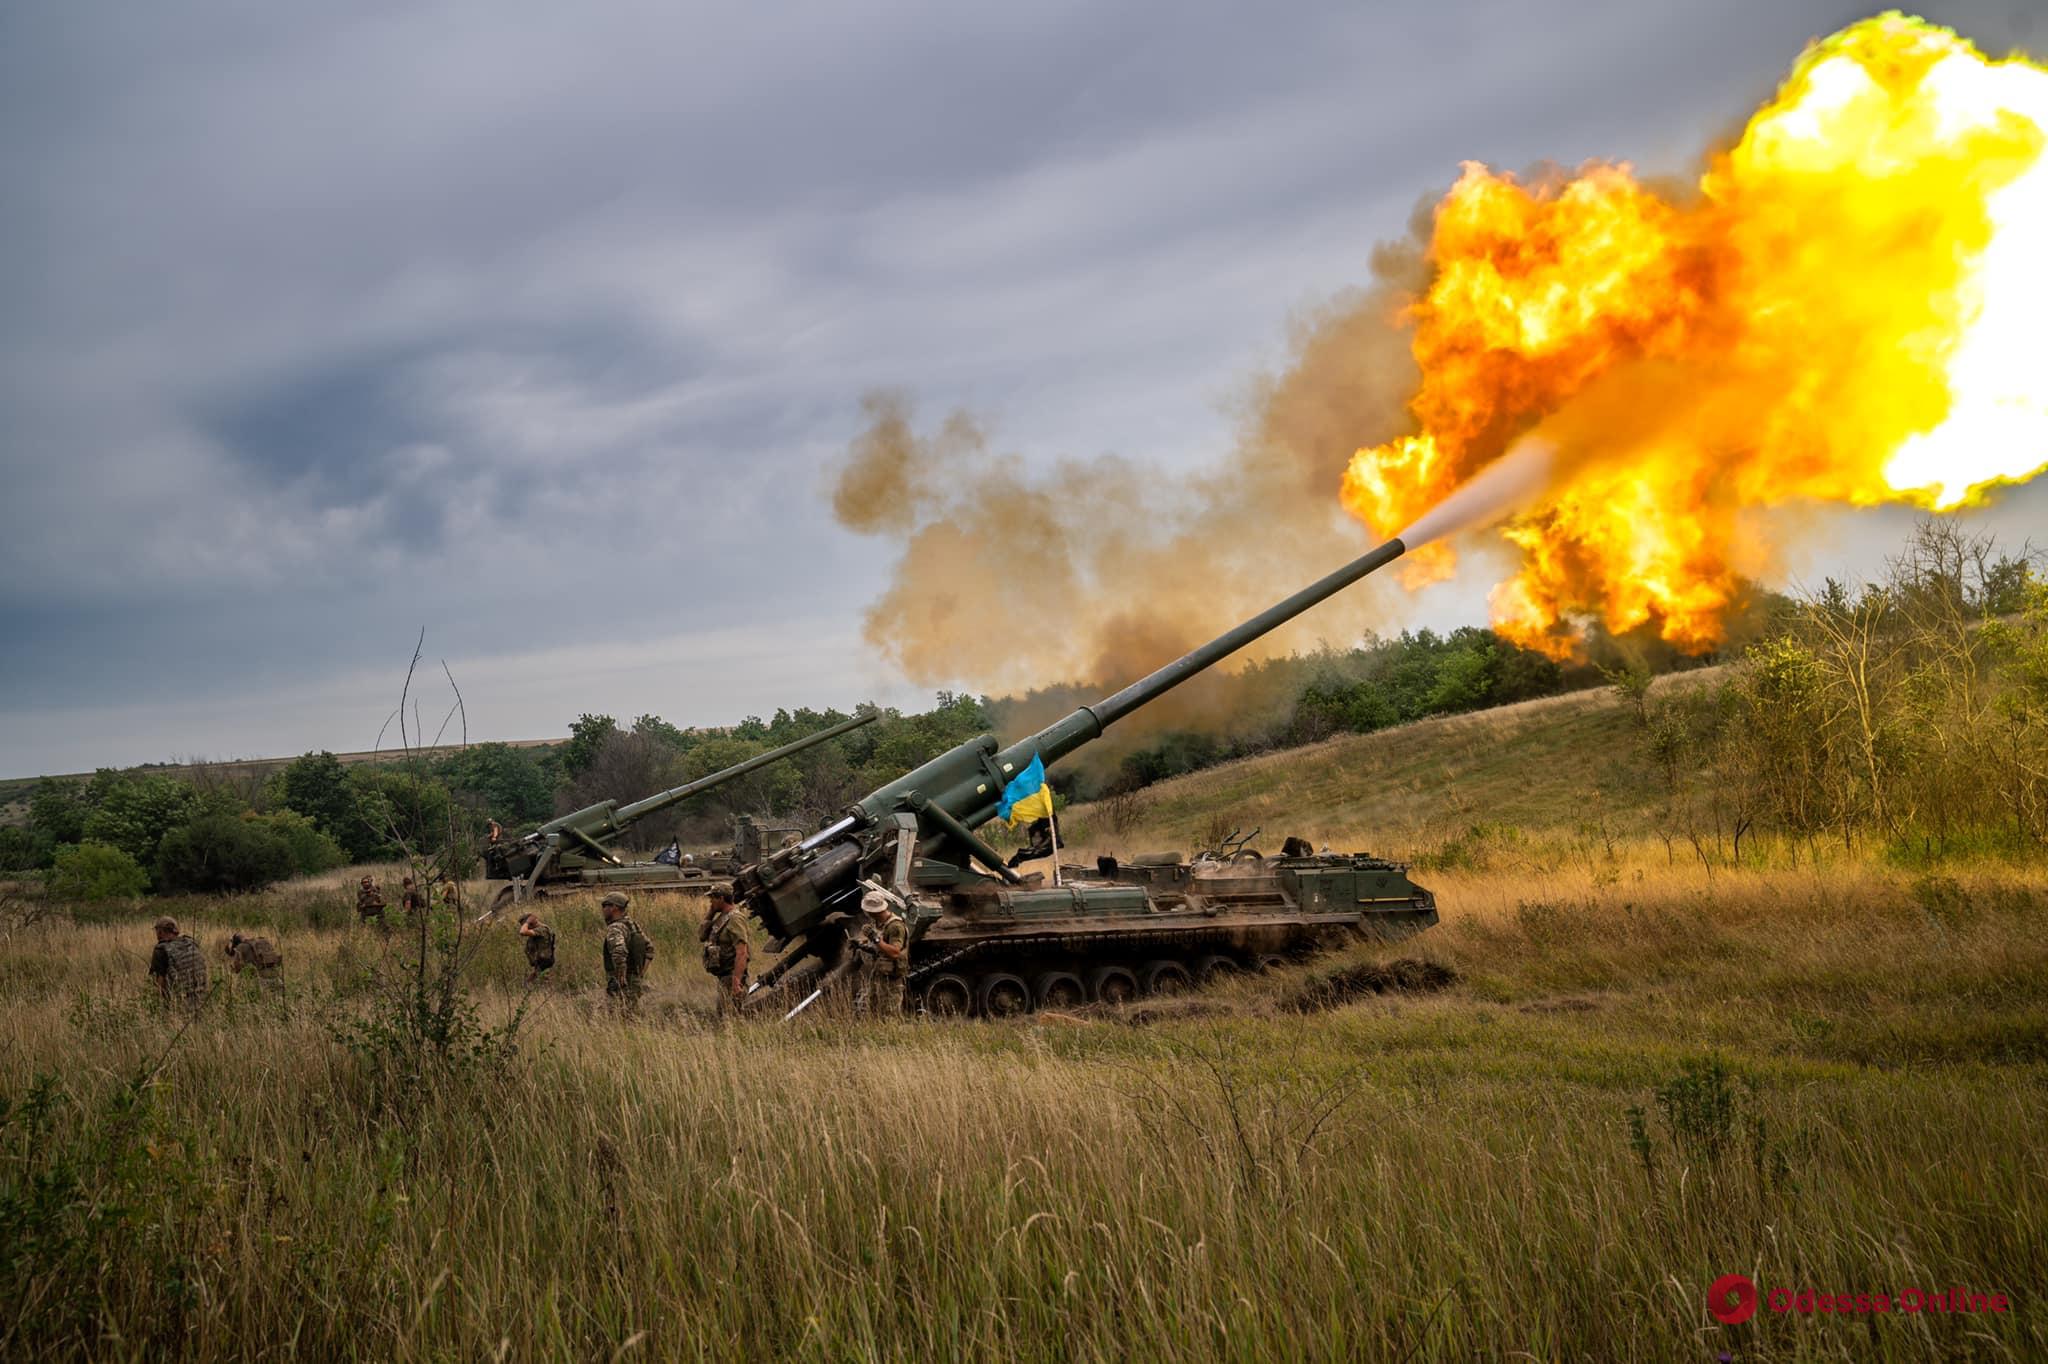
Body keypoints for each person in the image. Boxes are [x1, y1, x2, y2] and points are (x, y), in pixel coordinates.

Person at [851, 890, 910, 1016]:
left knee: (889, 1015)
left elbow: (894, 952)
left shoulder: (895, 926)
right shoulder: (878, 923)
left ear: (874, 911)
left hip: (891, 978)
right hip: (879, 973)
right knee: (873, 1011)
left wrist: (875, 938)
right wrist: (861, 944)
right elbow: (877, 946)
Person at [699, 888, 751, 1015]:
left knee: (728, 1016)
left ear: (721, 898)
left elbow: (742, 952)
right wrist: (711, 912)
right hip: (724, 977)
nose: (710, 901)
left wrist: (736, 981)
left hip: (732, 976)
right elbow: (701, 936)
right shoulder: (722, 918)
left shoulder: (735, 918)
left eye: (713, 898)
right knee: (724, 1014)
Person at [600, 891, 653, 1013]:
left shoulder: (616, 928)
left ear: (614, 908)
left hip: (621, 984)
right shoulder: (632, 925)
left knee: (618, 1017)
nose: (603, 909)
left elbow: (619, 952)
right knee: (632, 1013)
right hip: (634, 982)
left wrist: (621, 975)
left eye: (605, 906)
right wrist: (640, 973)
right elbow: (650, 949)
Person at [148, 916, 208, 1011]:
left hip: (179, 1003)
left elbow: (159, 982)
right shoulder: (191, 942)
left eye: (157, 931)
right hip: (201, 999)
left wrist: (159, 1007)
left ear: (160, 932)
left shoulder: (161, 950)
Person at [518, 912, 557, 986]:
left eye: (527, 925)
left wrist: (527, 922)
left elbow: (523, 932)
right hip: (541, 962)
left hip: (545, 962)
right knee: (530, 982)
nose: (526, 927)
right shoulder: (538, 930)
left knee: (545, 983)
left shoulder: (542, 929)